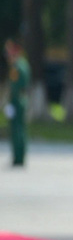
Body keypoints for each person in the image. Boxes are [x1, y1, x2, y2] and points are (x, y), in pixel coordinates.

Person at [4, 40, 28, 168]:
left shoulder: (17, 67)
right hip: (20, 100)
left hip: (17, 101)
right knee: (20, 129)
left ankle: (18, 157)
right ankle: (20, 156)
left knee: (16, 129)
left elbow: (15, 87)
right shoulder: (23, 64)